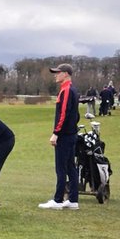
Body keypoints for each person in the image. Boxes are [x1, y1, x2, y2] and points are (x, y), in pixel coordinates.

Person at [38, 64, 80, 209]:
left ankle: (58, 200)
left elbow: (64, 114)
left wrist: (56, 133)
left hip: (64, 136)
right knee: (70, 167)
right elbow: (76, 115)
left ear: (66, 74)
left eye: (58, 73)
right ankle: (73, 200)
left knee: (61, 168)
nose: (55, 75)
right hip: (71, 134)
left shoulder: (66, 90)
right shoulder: (71, 89)